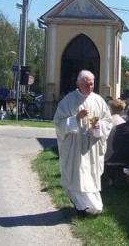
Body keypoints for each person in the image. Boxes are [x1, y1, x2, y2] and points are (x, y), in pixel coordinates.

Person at [53, 70, 112, 216]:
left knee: (91, 174)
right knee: (77, 174)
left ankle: (95, 206)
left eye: (91, 84)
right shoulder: (68, 100)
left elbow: (108, 121)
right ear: (78, 84)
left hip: (92, 146)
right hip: (75, 147)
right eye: (86, 84)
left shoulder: (98, 100)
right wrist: (76, 118)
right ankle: (81, 206)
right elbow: (58, 122)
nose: (89, 87)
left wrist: (99, 126)